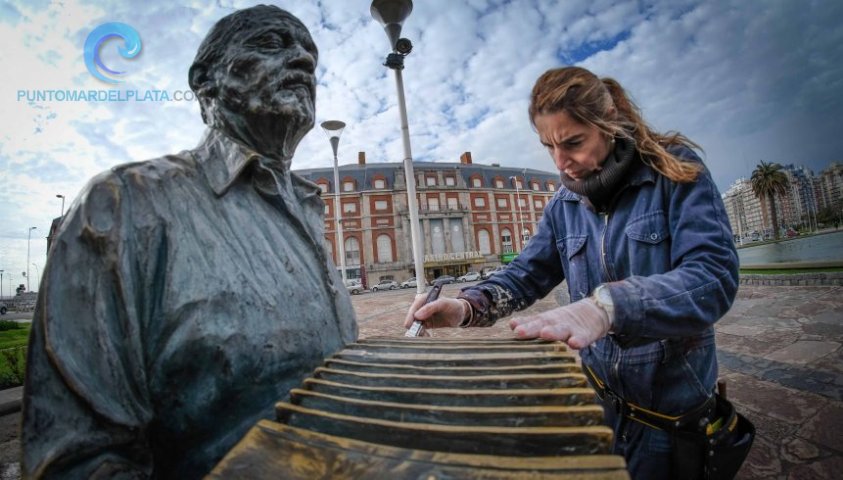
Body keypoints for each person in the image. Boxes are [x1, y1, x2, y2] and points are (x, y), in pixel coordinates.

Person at [22, 6, 357, 479]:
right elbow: (77, 459)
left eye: (310, 55)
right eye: (271, 44)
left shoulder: (308, 210)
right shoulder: (125, 205)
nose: (303, 61)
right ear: (206, 80)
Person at [405, 66, 739, 479]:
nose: (563, 163)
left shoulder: (675, 171)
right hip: (597, 404)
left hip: (670, 415)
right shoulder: (563, 205)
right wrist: (465, 306)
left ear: (610, 119)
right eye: (549, 148)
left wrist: (608, 307)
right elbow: (524, 275)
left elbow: (713, 277)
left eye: (574, 143)